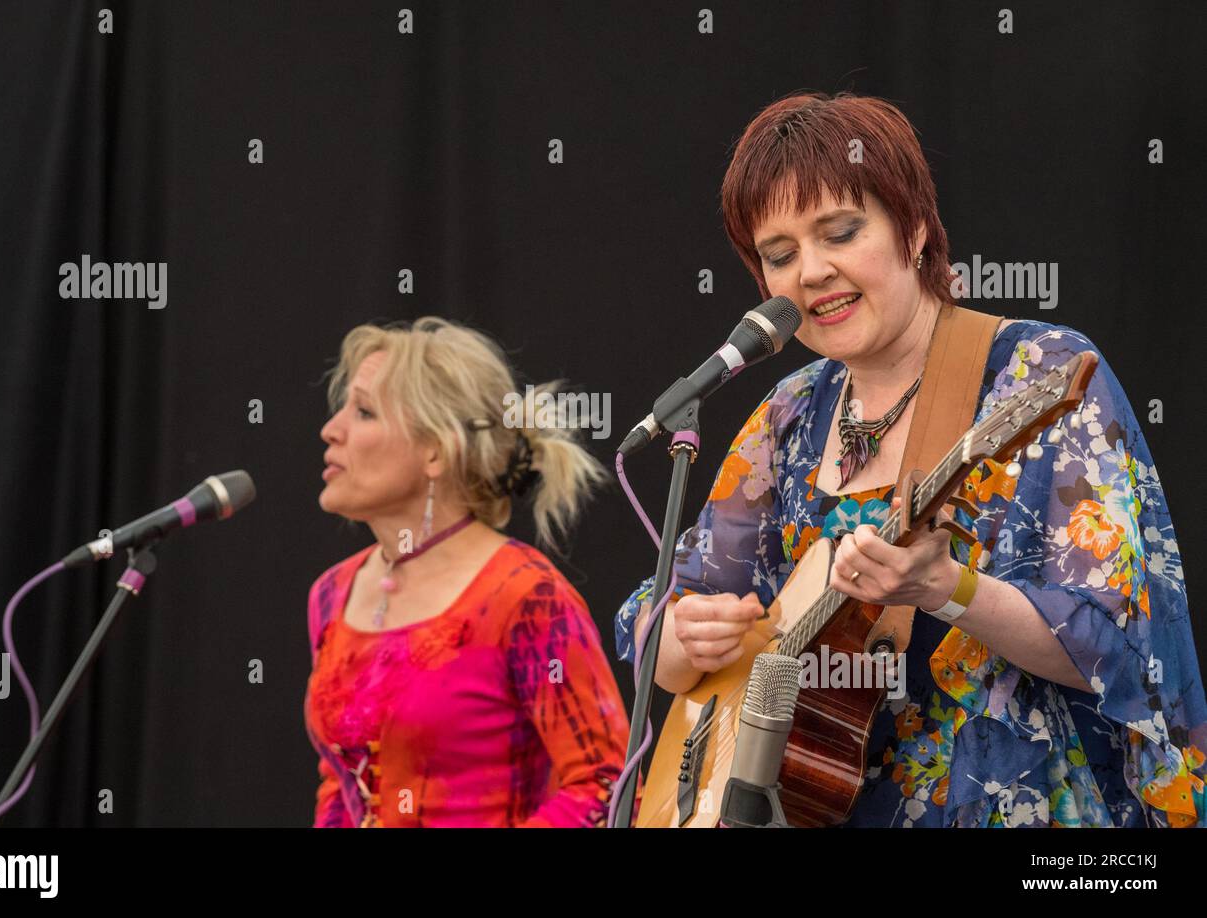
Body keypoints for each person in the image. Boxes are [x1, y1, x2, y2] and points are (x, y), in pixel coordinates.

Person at [615, 92, 1206, 827]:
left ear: (916, 227)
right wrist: (681, 637)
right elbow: (663, 622)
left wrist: (949, 587)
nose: (812, 271)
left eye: (840, 232)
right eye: (780, 254)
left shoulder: (1035, 373)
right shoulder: (789, 413)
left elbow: (1115, 648)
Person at [305, 316, 628, 827]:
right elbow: (339, 781)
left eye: (363, 411)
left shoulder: (525, 595)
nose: (331, 429)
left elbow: (605, 784)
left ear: (436, 450)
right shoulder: (333, 593)